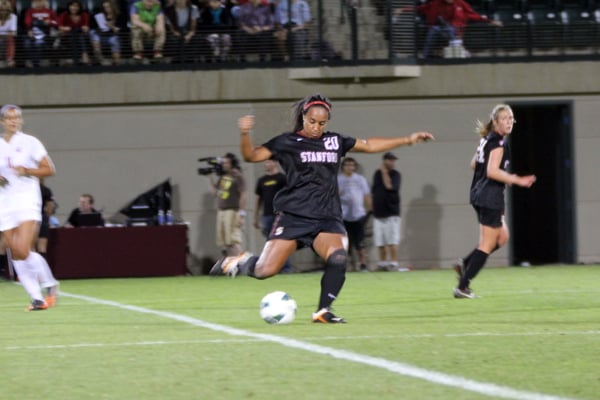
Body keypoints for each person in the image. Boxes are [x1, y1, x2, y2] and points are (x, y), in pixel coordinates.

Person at [224, 94, 433, 323]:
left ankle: (323, 310)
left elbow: (370, 145)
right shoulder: (286, 142)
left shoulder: (335, 141)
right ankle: (243, 261)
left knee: (338, 256)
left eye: (322, 123)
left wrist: (408, 139)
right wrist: (245, 133)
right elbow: (250, 155)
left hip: (326, 217)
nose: (316, 127)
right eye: (312, 121)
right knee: (264, 271)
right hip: (294, 216)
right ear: (303, 116)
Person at [453, 104, 536, 299]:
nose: (509, 121)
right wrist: (518, 179)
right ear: (496, 122)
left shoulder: (487, 139)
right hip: (489, 197)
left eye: (511, 118)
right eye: (504, 118)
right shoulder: (498, 142)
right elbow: (491, 171)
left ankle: (465, 264)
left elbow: (474, 164)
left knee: (502, 237)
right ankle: (462, 287)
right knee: (487, 244)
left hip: (481, 194)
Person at [0, 104, 59, 311]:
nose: (13, 121)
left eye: (17, 117)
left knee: (23, 249)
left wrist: (27, 170)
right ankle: (37, 298)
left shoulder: (30, 142)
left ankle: (50, 285)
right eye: (9, 118)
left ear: (21, 120)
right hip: (4, 201)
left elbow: (49, 169)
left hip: (26, 199)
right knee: (14, 251)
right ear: (2, 122)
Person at [395, 0, 502, 59]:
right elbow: (419, 8)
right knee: (432, 31)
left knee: (451, 31)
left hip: (454, 29)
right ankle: (425, 55)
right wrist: (403, 9)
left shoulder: (460, 3)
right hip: (438, 27)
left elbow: (474, 15)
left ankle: (461, 51)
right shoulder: (435, 3)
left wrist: (491, 21)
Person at [207, 152, 248, 274]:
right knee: (225, 242)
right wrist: (209, 177)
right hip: (222, 211)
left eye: (226, 162)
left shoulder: (237, 176)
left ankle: (242, 265)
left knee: (233, 240)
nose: (223, 165)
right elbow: (215, 193)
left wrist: (241, 214)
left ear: (232, 163)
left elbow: (244, 195)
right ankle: (231, 266)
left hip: (232, 211)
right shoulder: (223, 177)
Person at [253, 158, 292, 272]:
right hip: (267, 215)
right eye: (265, 162)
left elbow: (289, 195)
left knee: (282, 241)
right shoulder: (261, 180)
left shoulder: (282, 178)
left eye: (269, 162)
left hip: (280, 215)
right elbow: (259, 199)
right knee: (269, 242)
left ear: (275, 163)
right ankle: (272, 267)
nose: (267, 164)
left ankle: (286, 267)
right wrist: (256, 216)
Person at [337, 157, 371, 272]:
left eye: (352, 165)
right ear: (343, 167)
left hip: (358, 215)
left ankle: (363, 265)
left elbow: (366, 195)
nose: (350, 167)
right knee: (344, 243)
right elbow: (333, 196)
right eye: (347, 165)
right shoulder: (338, 179)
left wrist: (370, 209)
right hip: (343, 216)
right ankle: (343, 265)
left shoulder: (360, 179)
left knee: (360, 242)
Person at [371, 152, 402, 271]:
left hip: (391, 213)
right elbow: (374, 191)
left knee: (392, 240)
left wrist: (384, 172)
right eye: (390, 160)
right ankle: (383, 263)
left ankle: (394, 263)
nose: (392, 163)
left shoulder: (396, 175)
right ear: (384, 161)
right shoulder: (376, 174)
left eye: (393, 160)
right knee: (380, 241)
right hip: (379, 213)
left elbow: (389, 186)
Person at [23, 0, 59, 67]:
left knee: (38, 44)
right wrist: (30, 30)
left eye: (40, 1)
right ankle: (34, 63)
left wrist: (50, 22)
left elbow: (57, 23)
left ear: (44, 2)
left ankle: (36, 64)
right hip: (32, 33)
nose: (38, 3)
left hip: (45, 35)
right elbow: (27, 22)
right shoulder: (30, 11)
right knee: (27, 44)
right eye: (36, 1)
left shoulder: (50, 11)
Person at [57, 0, 91, 65]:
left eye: (76, 6)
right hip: (67, 36)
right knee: (73, 35)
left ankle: (83, 55)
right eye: (72, 6)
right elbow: (59, 26)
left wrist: (85, 28)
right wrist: (64, 28)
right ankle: (83, 56)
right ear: (69, 7)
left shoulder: (84, 15)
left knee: (80, 35)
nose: (74, 8)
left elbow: (86, 27)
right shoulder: (64, 14)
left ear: (79, 7)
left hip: (81, 36)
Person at [89, 0, 122, 65]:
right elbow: (93, 27)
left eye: (108, 7)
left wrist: (111, 26)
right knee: (94, 34)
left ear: (113, 7)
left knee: (114, 40)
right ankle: (100, 59)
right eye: (105, 7)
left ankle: (117, 62)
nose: (106, 9)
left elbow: (120, 30)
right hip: (101, 36)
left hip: (113, 36)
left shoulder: (119, 15)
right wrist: (99, 28)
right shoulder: (100, 15)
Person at [0, 0, 16, 68]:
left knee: (10, 39)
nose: (3, 12)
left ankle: (9, 59)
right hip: (4, 36)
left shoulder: (13, 17)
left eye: (5, 10)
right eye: (1, 10)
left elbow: (12, 33)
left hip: (7, 38)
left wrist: (2, 36)